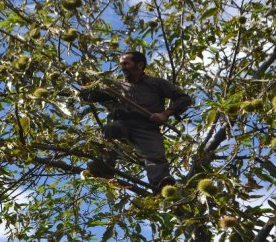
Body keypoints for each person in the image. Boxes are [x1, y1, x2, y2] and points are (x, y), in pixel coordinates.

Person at [79, 51, 192, 194]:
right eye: (121, 64)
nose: (123, 67)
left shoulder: (156, 83)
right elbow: (92, 96)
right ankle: (105, 168)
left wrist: (165, 114)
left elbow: (184, 99)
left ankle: (162, 189)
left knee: (156, 157)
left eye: (126, 63)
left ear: (140, 64)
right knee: (110, 130)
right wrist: (85, 87)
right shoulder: (116, 87)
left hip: (147, 127)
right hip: (124, 123)